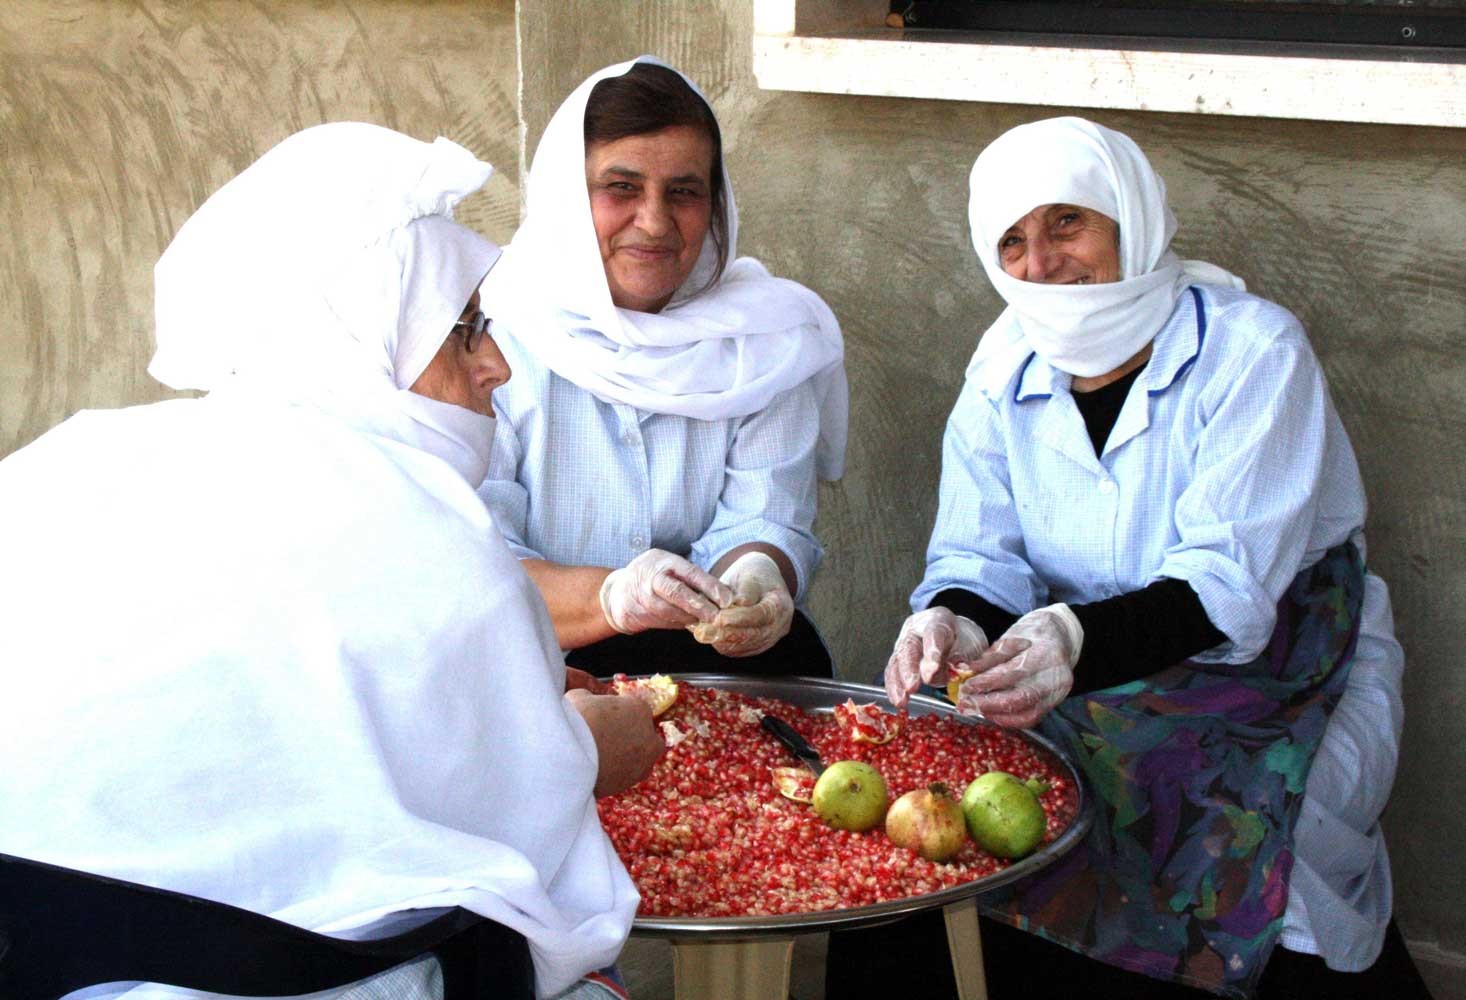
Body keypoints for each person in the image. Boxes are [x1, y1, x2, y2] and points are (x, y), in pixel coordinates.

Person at [0, 122, 664, 1000]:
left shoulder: (68, 468)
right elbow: (505, 829)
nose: (498, 366)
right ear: (369, 336)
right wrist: (589, 747)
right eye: (465, 331)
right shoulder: (425, 537)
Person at [867, 118, 1428, 999]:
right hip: (1094, 660)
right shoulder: (1001, 367)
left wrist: (1068, 637)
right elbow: (981, 551)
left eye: (1067, 224)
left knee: (1167, 794)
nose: (1044, 263)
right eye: (1012, 241)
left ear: (1131, 219)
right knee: (943, 783)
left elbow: (1227, 588)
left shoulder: (1253, 351)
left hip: (1274, 664)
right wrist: (952, 617)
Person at [479, 57, 848, 680]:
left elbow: (764, 517)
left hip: (709, 664)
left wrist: (756, 573)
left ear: (717, 204)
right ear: (565, 198)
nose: (654, 221)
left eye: (683, 191)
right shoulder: (492, 340)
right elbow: (477, 562)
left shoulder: (763, 342)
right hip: (538, 665)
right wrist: (616, 597)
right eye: (620, 188)